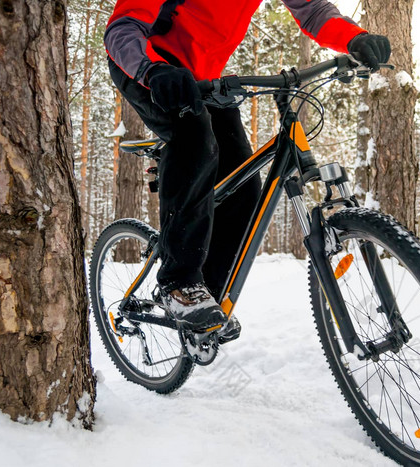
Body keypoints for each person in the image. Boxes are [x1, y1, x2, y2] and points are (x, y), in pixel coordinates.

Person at [105, 0, 391, 338]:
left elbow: (312, 10)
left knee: (244, 188)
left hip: (206, 76)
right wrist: (151, 69)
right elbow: (121, 29)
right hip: (150, 65)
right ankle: (179, 282)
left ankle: (209, 297)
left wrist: (354, 39)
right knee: (196, 144)